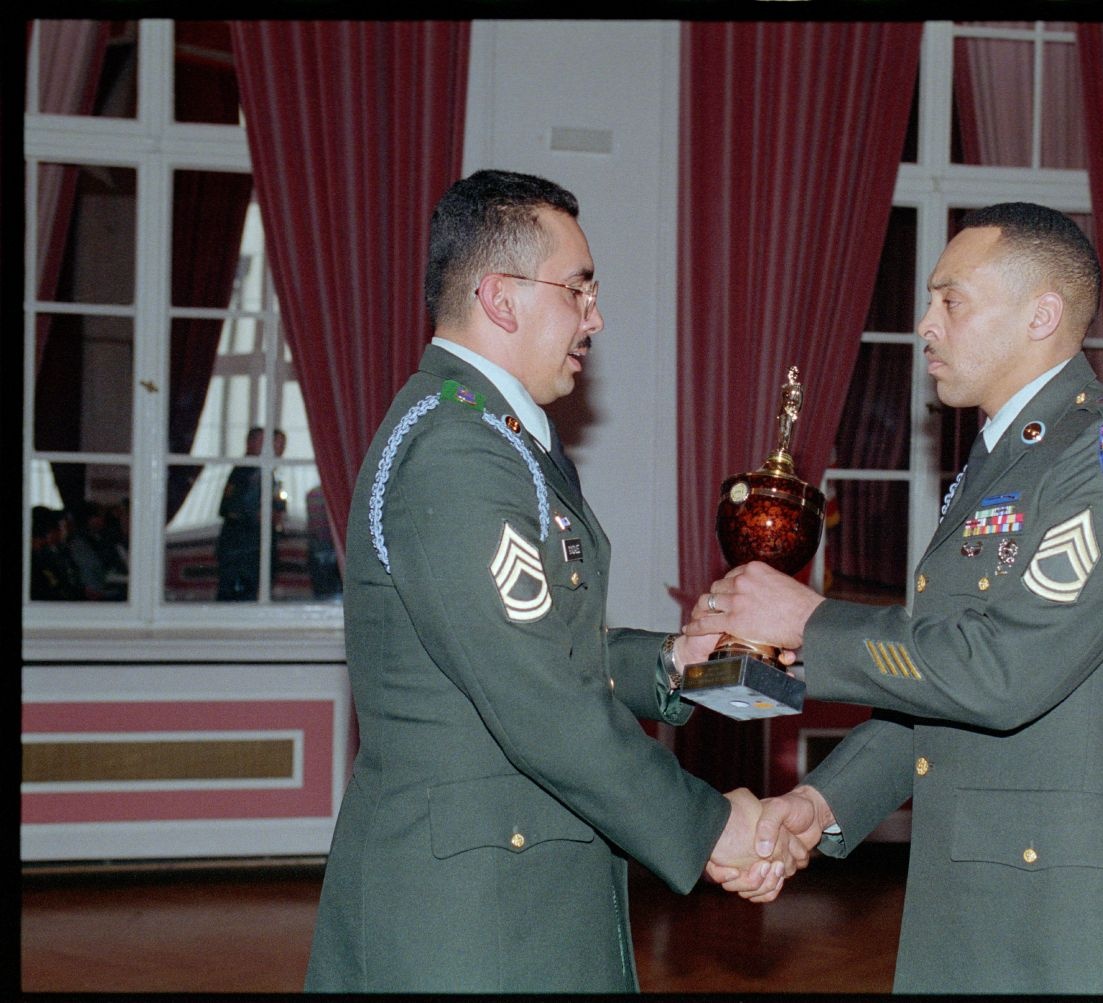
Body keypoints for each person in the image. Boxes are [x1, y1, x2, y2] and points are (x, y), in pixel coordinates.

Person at [304, 170, 805, 994]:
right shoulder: (457, 452)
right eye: (578, 289)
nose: (595, 318)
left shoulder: (493, 434)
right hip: (470, 920)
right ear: (500, 297)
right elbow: (539, 698)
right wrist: (713, 827)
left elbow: (536, 648)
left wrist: (674, 662)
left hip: (511, 888)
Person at [689, 203, 1103, 993]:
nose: (926, 324)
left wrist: (809, 621)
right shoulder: (1001, 462)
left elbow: (1003, 671)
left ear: (1042, 315)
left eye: (951, 300)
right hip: (971, 893)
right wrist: (825, 802)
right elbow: (935, 681)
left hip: (1071, 911)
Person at [215, 426, 286, 600]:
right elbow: (231, 508)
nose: (276, 449)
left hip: (254, 548)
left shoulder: (265, 473)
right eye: (265, 443)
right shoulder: (246, 472)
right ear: (250, 443)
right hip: (243, 549)